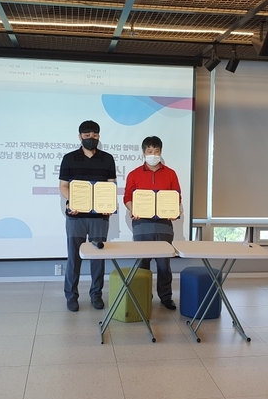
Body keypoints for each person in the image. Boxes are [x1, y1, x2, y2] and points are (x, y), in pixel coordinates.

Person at [59, 120, 117, 312]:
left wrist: (109, 204)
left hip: (99, 217)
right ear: (80, 137)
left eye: (94, 135)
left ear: (98, 136)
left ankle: (96, 295)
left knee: (98, 258)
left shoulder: (108, 159)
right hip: (76, 217)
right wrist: (72, 201)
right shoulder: (69, 158)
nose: (91, 138)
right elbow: (63, 186)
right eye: (86, 135)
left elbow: (111, 186)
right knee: (74, 257)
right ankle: (71, 296)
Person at [123, 136, 180, 310]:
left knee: (164, 264)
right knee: (142, 262)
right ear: (143, 153)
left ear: (160, 152)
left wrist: (173, 210)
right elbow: (127, 197)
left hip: (164, 224)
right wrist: (133, 209)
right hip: (142, 224)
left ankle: (166, 297)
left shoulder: (170, 173)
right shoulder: (134, 174)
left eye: (156, 151)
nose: (153, 154)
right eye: (149, 151)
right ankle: (143, 295)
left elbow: (177, 196)